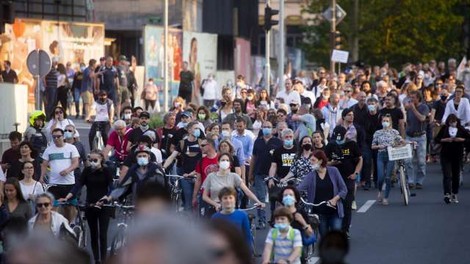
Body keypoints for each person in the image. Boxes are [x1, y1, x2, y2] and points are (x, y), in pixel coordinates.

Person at [59, 150, 113, 264]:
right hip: (90, 204)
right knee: (93, 234)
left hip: (104, 205)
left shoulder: (106, 171)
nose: (92, 162)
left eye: (95, 160)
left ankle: (104, 260)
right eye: (90, 160)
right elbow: (78, 185)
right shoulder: (87, 171)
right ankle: (97, 259)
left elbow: (112, 187)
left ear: (101, 160)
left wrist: (107, 198)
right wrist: (67, 197)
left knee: (102, 234)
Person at [297, 150, 347, 238]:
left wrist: (335, 199)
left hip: (334, 211)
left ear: (320, 161)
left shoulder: (334, 171)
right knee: (324, 236)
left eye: (313, 160)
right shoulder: (310, 176)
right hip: (319, 213)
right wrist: (288, 192)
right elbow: (299, 188)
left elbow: (343, 189)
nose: (310, 163)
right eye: (310, 160)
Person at [324, 126, 362, 238]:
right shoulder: (330, 145)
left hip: (348, 177)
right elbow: (324, 161)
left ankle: (345, 230)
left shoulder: (352, 145)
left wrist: (356, 173)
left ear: (346, 135)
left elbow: (360, 159)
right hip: (333, 178)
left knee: (347, 205)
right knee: (332, 204)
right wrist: (332, 163)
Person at [39, 128, 80, 223]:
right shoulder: (49, 150)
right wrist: (41, 177)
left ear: (63, 136)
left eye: (58, 136)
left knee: (70, 208)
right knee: (53, 207)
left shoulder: (71, 148)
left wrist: (68, 170)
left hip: (69, 183)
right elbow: (44, 164)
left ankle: (70, 225)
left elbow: (75, 163)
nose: (56, 138)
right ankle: (55, 227)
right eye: (54, 137)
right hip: (54, 183)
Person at [163, 121, 202, 211]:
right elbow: (172, 157)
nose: (198, 130)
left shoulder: (202, 143)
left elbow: (204, 160)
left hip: (199, 177)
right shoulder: (182, 143)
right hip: (186, 177)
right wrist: (163, 168)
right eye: (196, 128)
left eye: (198, 128)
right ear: (189, 130)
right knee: (188, 203)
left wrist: (195, 172)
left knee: (198, 203)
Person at [435, 114, 469, 204]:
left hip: (457, 155)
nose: (452, 124)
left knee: (456, 175)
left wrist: (461, 140)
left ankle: (454, 192)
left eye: (454, 122)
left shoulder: (461, 129)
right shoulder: (444, 129)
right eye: (451, 122)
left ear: (457, 122)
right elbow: (437, 139)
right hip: (445, 154)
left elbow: (468, 139)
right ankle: (447, 193)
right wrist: (445, 140)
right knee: (447, 175)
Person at [371, 114, 405, 205]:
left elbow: (401, 141)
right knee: (381, 176)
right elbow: (373, 146)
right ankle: (379, 191)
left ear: (390, 122)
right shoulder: (377, 133)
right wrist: (379, 146)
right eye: (383, 121)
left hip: (391, 155)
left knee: (388, 177)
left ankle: (386, 197)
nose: (385, 122)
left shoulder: (394, 132)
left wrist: (403, 143)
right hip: (381, 155)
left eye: (387, 121)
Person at [280, 186, 316, 264]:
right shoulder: (279, 214)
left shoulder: (301, 213)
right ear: (282, 199)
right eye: (285, 195)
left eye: (290, 195)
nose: (288, 197)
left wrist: (302, 222)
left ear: (295, 199)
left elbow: (310, 233)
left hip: (298, 246)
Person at [404, 90, 430, 189]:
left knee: (421, 161)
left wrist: (414, 109)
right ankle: (410, 180)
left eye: (413, 97)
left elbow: (422, 118)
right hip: (410, 136)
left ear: (418, 98)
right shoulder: (409, 108)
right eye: (410, 97)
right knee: (408, 160)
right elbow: (408, 121)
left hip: (420, 137)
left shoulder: (424, 107)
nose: (411, 99)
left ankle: (419, 181)